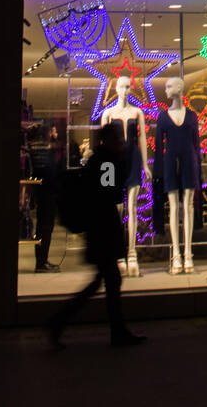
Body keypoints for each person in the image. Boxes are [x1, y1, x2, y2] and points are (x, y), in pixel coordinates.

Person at [48, 124, 146, 348]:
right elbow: (110, 192)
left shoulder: (100, 159)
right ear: (110, 140)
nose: (121, 141)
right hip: (103, 228)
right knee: (109, 280)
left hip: (100, 227)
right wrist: (123, 163)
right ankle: (63, 322)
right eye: (118, 138)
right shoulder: (106, 161)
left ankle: (63, 323)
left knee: (105, 281)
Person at [26, 123, 59, 272]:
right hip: (47, 193)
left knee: (43, 227)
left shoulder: (38, 148)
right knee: (45, 228)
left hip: (43, 192)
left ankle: (42, 260)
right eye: (53, 131)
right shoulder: (44, 150)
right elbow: (48, 171)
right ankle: (41, 262)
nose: (55, 133)